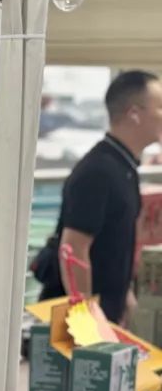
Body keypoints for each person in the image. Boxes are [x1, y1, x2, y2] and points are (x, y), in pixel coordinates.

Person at [37, 70, 162, 323]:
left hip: (107, 315)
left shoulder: (125, 167)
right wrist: (85, 318)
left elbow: (117, 243)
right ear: (134, 113)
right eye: (160, 107)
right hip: (77, 325)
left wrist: (125, 298)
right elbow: (74, 248)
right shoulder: (98, 171)